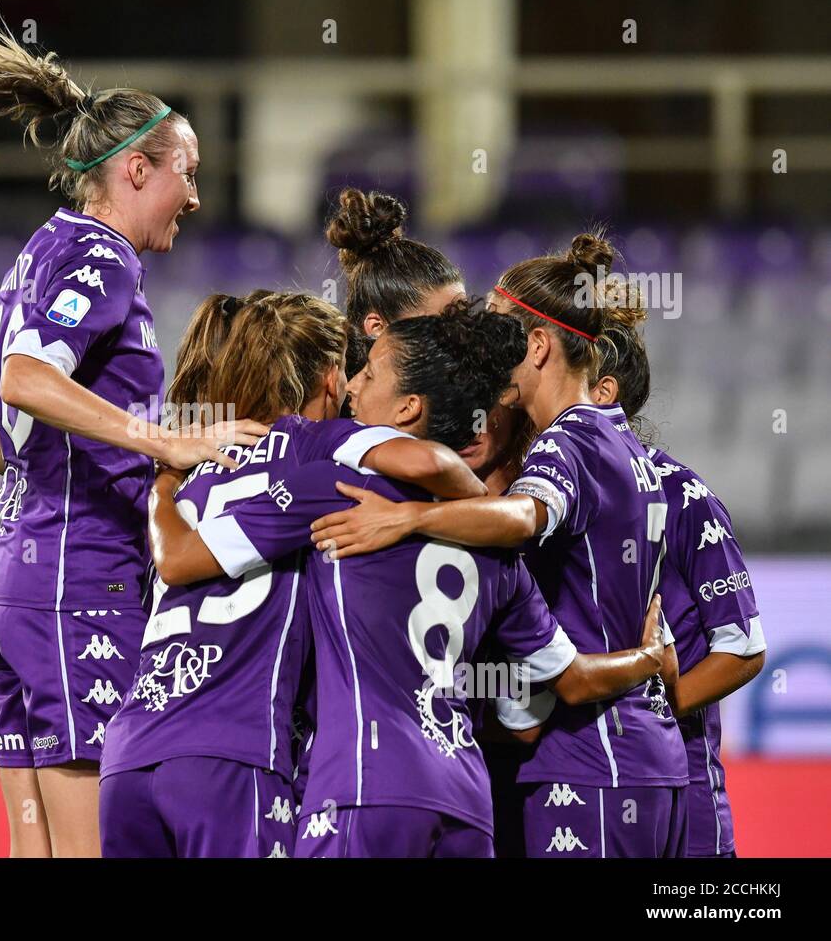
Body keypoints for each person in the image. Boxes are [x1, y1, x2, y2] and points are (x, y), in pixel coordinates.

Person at [0, 18, 266, 857]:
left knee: (31, 849)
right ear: (135, 169)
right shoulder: (102, 260)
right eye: (187, 173)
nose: (195, 196)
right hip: (79, 590)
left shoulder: (34, 258)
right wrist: (165, 447)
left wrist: (79, 467)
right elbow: (24, 384)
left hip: (11, 585)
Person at [146, 305, 670, 857]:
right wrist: (651, 657)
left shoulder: (338, 497)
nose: (350, 385)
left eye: (368, 373)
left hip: (362, 788)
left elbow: (182, 560)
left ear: (407, 407)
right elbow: (546, 704)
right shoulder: (498, 549)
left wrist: (165, 479)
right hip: (466, 802)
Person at [309, 233, 689, 857]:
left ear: (538, 344)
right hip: (625, 759)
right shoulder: (631, 454)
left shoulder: (568, 445)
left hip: (581, 765)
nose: (487, 360)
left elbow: (522, 517)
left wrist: (407, 522)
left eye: (500, 339)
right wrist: (649, 658)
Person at [99, 291, 486, 857]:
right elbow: (430, 461)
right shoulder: (314, 448)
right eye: (352, 375)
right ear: (331, 378)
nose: (355, 390)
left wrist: (162, 478)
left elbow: (154, 566)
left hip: (129, 756)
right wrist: (464, 513)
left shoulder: (196, 467)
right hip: (233, 755)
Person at [590, 321, 766, 857]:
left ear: (602, 392)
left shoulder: (681, 493)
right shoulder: (543, 495)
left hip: (681, 790)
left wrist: (658, 706)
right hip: (581, 776)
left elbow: (744, 649)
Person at [326, 188, 466, 379]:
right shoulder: (336, 405)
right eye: (442, 327)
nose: (464, 338)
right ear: (378, 328)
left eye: (464, 318)